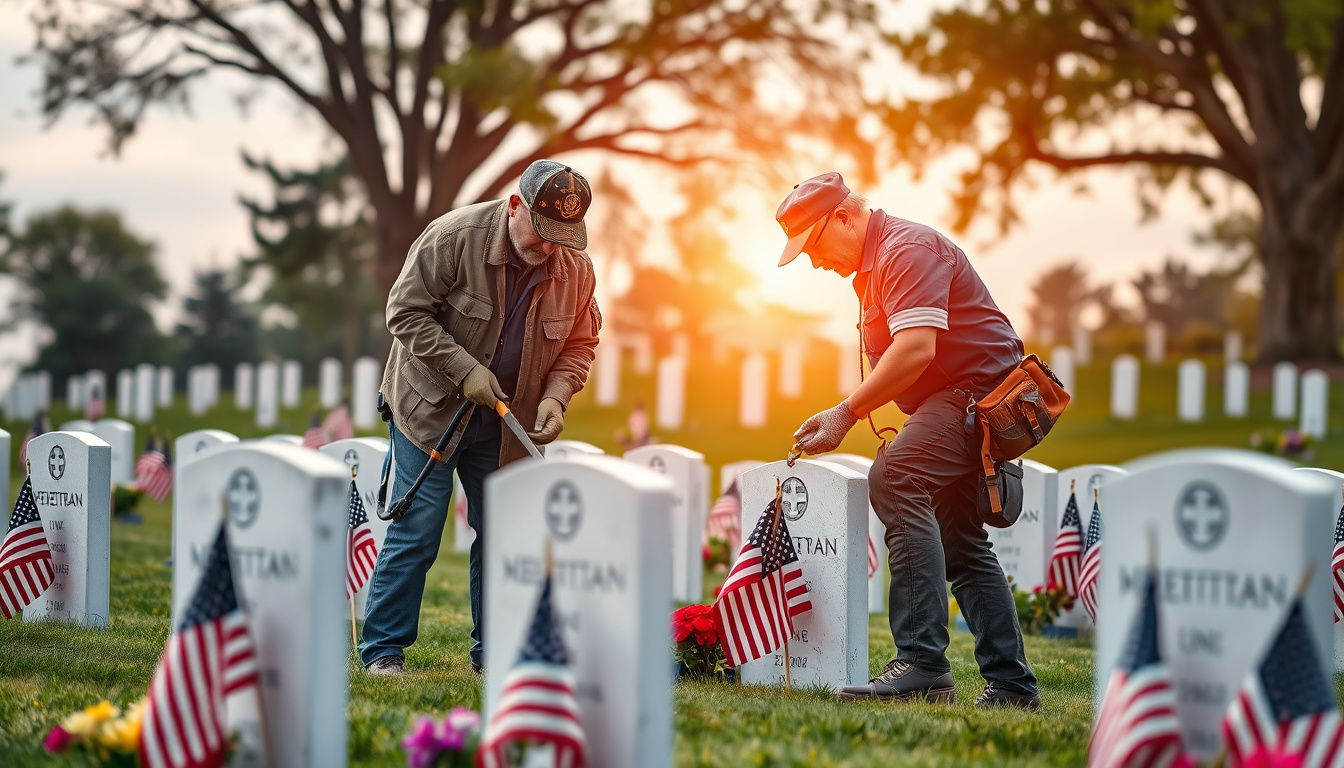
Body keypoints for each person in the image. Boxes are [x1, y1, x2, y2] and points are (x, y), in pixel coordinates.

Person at [779, 172, 1040, 710]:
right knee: (962, 543)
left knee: (896, 478)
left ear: (846, 218)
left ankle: (922, 663)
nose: (813, 262)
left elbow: (917, 348)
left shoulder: (906, 249)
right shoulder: (875, 265)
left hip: (974, 396)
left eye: (813, 246)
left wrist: (846, 413)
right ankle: (1012, 687)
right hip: (951, 401)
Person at [361, 160, 601, 676]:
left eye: (564, 237)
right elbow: (404, 312)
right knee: (419, 528)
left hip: (503, 423)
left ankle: (495, 655)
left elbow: (580, 344)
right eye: (542, 234)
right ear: (516, 205)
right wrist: (462, 368)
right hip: (429, 411)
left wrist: (557, 396)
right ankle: (383, 651)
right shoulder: (453, 237)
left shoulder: (576, 271)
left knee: (504, 535)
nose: (551, 248)